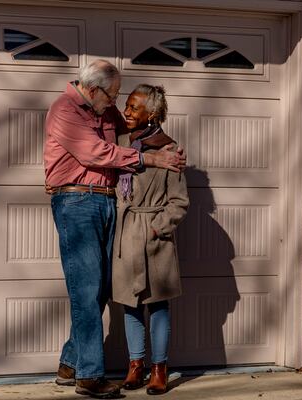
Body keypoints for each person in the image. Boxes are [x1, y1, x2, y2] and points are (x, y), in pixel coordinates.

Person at [43, 60, 185, 399]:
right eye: (115, 96)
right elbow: (96, 152)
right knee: (86, 288)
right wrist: (152, 160)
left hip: (108, 204)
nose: (118, 105)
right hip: (77, 202)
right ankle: (89, 376)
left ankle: (70, 362)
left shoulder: (104, 111)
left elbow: (142, 129)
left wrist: (169, 151)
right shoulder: (65, 109)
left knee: (103, 288)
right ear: (94, 91)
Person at [112, 84, 189, 395]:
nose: (127, 112)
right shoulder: (118, 143)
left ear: (152, 114)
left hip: (155, 237)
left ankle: (159, 368)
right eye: (126, 106)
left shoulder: (170, 150)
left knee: (157, 305)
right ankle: (135, 366)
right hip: (124, 232)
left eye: (134, 107)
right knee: (130, 305)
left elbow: (179, 201)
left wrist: (158, 228)